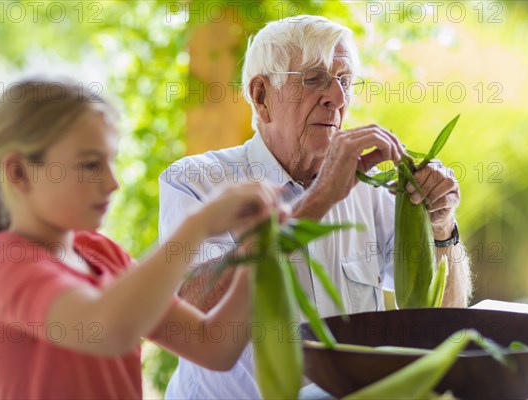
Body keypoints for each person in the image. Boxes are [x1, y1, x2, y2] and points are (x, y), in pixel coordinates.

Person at [159, 15, 472, 399]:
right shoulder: (196, 181)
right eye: (314, 78)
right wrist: (319, 200)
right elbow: (185, 314)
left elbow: (439, 318)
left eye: (344, 81)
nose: (337, 98)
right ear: (261, 95)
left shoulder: (372, 191)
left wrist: (441, 229)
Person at [0, 79, 284, 399]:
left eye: (111, 161)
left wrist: (253, 253)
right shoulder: (4, 263)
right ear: (19, 173)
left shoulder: (103, 254)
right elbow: (106, 329)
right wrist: (198, 226)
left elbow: (214, 346)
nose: (112, 182)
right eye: (91, 164)